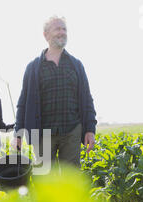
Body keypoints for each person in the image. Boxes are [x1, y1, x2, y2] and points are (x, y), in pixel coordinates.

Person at [12, 16, 97, 172]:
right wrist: (17, 134)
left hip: (72, 130)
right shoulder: (33, 68)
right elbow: (23, 103)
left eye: (64, 29)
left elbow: (87, 99)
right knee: (44, 179)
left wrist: (90, 129)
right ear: (45, 35)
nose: (62, 32)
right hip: (43, 133)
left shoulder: (76, 65)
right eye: (57, 28)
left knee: (70, 180)